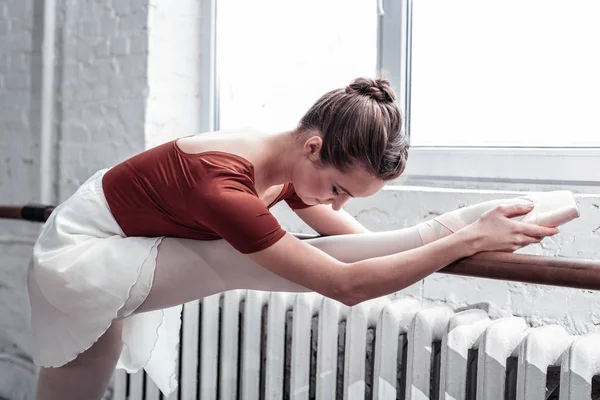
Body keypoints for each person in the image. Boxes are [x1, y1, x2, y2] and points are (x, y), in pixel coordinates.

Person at [27, 77, 576, 400]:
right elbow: (344, 283)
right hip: (83, 249)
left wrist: (457, 236)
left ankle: (539, 205)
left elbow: (372, 245)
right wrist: (461, 239)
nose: (332, 206)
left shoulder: (288, 161)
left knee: (72, 387)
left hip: (121, 242)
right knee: (233, 261)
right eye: (337, 189)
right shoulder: (223, 186)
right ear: (313, 146)